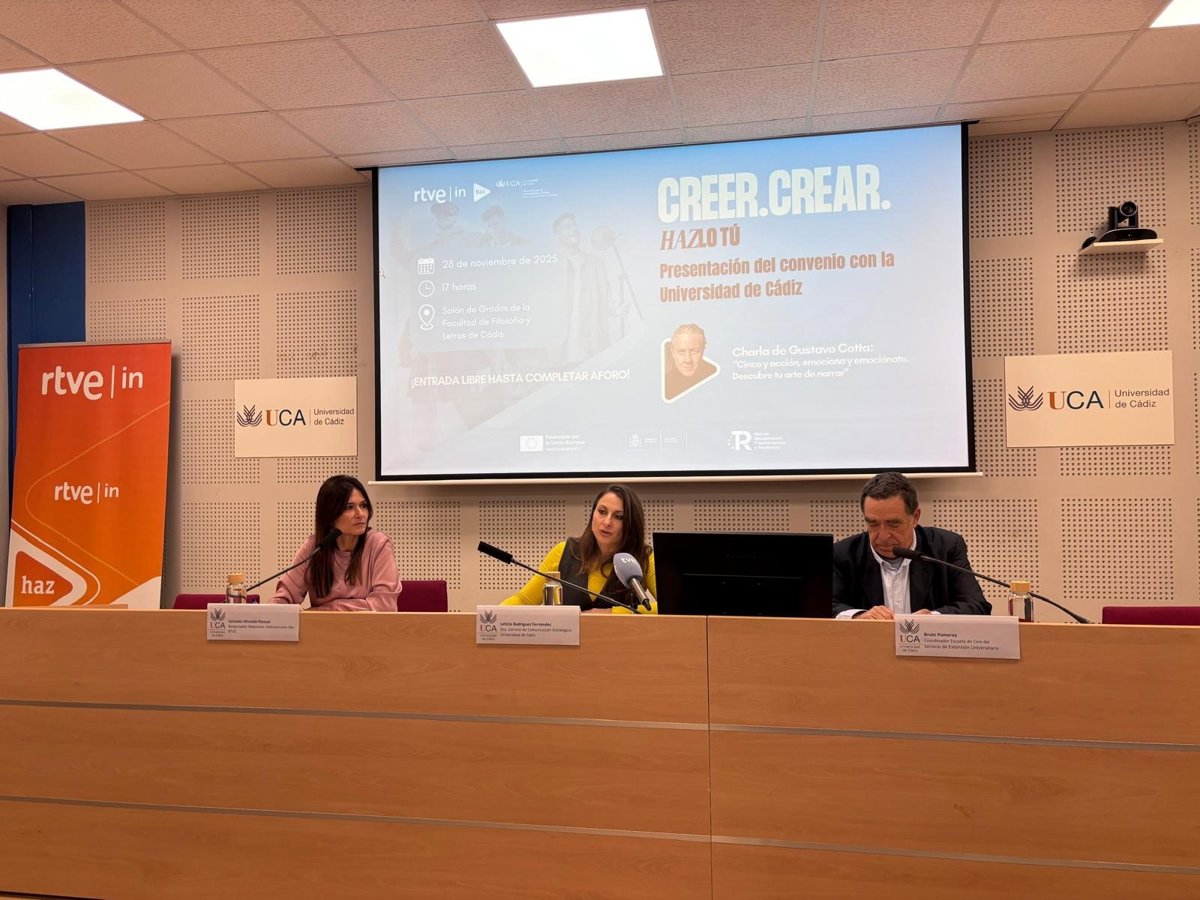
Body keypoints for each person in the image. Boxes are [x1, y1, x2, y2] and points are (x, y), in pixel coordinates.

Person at [833, 472, 990, 619]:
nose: (883, 536)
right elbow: (827, 605)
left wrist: (933, 618)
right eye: (873, 524)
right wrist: (858, 616)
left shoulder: (945, 547)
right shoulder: (843, 554)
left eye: (893, 524)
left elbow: (977, 606)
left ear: (915, 517)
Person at [501, 483, 656, 614]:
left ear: (631, 524)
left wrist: (612, 613)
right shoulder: (564, 552)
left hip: (622, 639)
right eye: (602, 512)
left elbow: (668, 607)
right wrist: (491, 615)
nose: (607, 522)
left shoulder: (643, 558)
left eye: (619, 517)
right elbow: (524, 600)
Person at [271, 475, 400, 611]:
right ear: (330, 514)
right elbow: (284, 598)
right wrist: (266, 612)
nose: (360, 514)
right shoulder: (314, 547)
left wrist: (321, 611)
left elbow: (384, 606)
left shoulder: (378, 544)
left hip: (366, 626)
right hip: (322, 626)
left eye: (363, 506)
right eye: (349, 507)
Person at [554, 212, 613, 365]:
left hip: (591, 348)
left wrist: (619, 308)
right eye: (567, 227)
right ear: (557, 236)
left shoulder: (596, 264)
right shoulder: (552, 268)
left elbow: (607, 300)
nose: (573, 229)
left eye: (574, 225)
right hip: (561, 352)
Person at [663, 323, 718, 400]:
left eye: (694, 351)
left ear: (703, 351)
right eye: (681, 351)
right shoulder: (663, 383)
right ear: (673, 352)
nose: (688, 360)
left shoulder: (716, 380)